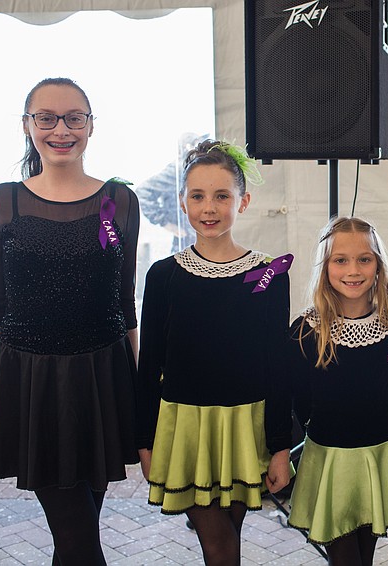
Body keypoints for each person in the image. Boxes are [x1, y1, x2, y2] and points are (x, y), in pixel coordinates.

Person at [0, 77, 140, 565]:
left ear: (91, 125)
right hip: (34, 387)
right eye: (46, 118)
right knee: (76, 537)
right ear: (28, 125)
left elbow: (124, 302)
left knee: (79, 533)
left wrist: (136, 393)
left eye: (74, 117)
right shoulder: (1, 202)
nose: (60, 129)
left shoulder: (117, 202)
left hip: (102, 382)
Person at [135, 140, 292, 565]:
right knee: (218, 544)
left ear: (243, 201)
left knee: (230, 538)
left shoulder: (268, 274)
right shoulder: (164, 275)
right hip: (187, 427)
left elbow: (278, 365)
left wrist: (280, 447)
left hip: (246, 427)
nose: (209, 207)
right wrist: (144, 441)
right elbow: (149, 363)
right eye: (198, 196)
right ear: (183, 202)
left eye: (222, 196)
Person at [287, 217, 388, 566]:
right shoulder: (306, 331)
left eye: (364, 259)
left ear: (378, 265)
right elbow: (299, 399)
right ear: (325, 266)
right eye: (340, 260)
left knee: (364, 554)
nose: (353, 270)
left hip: (377, 457)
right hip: (330, 460)